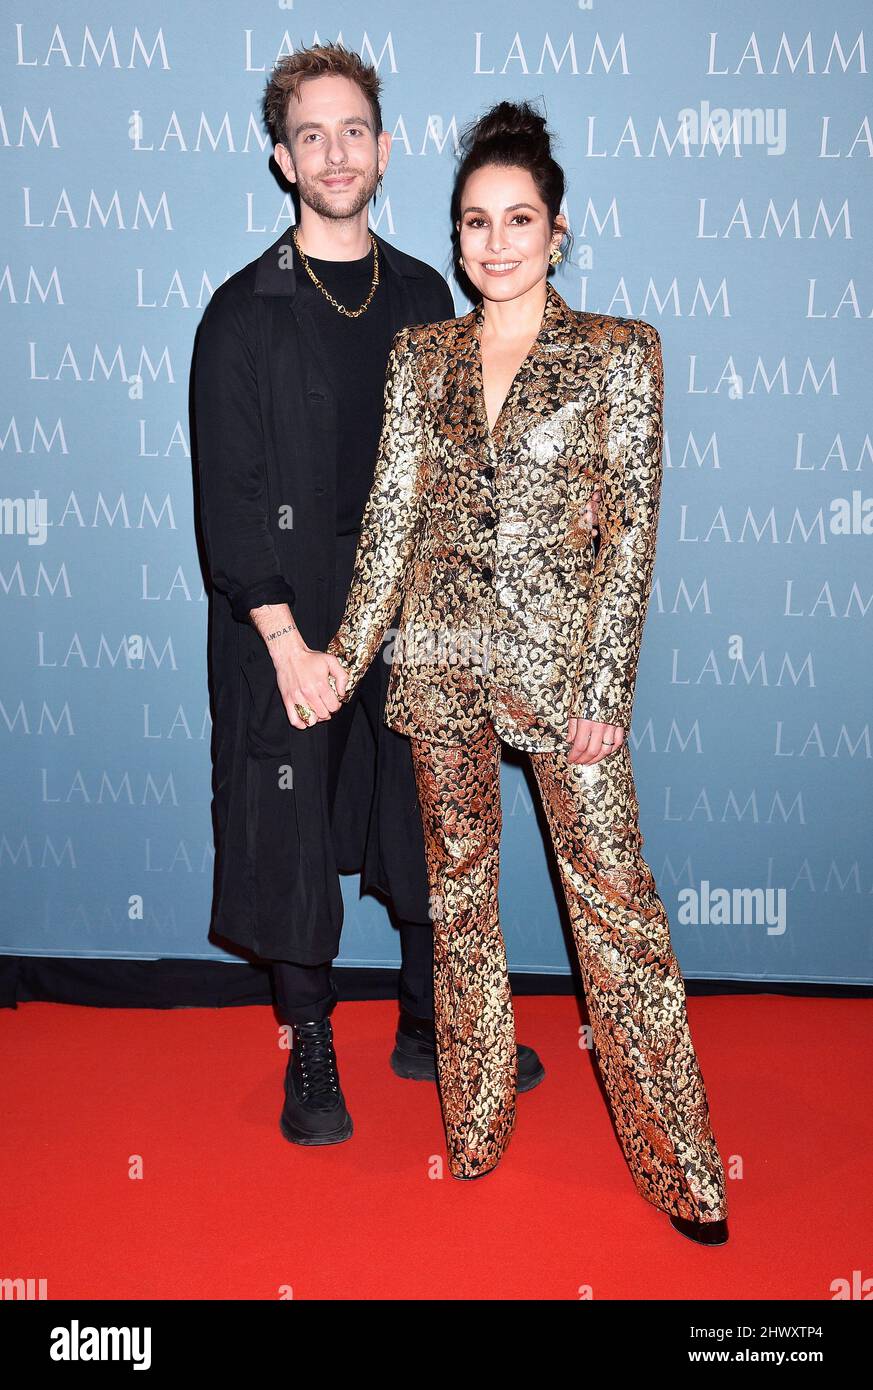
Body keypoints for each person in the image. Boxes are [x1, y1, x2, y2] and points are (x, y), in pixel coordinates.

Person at [315, 100, 730, 1245]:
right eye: (473, 223)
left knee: (620, 919)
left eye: (518, 219)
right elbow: (391, 523)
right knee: (460, 908)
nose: (494, 243)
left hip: (566, 682)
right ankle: (480, 1120)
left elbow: (631, 533)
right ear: (454, 239)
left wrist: (607, 688)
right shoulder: (421, 356)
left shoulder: (619, 354)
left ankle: (682, 1164)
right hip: (441, 667)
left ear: (559, 232)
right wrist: (344, 660)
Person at [193, 46, 549, 1150]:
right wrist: (288, 646)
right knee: (292, 829)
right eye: (312, 135)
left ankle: (425, 1020)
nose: (336, 152)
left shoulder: (424, 292)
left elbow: (456, 469)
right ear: (282, 160)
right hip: (287, 624)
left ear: (384, 151)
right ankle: (308, 1039)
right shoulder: (240, 315)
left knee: (419, 820)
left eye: (355, 131)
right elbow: (233, 501)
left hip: (410, 618)